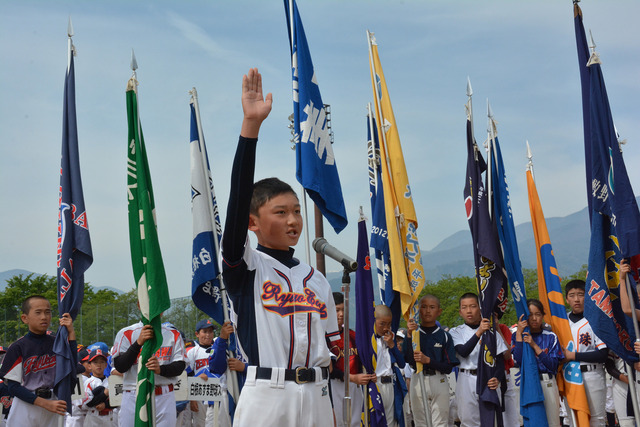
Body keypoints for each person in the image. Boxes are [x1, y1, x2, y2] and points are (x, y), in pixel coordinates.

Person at [221, 68, 339, 427]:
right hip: (267, 394)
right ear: (253, 223)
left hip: (317, 393)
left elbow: (333, 347)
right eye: (280, 212)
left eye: (296, 211)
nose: (293, 220)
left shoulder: (316, 279)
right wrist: (250, 127)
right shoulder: (246, 266)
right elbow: (239, 201)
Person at [0, 295, 75, 427]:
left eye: (48, 312)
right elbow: (13, 387)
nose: (44, 317)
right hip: (26, 405)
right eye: (38, 312)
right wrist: (45, 404)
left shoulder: (57, 343)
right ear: (25, 318)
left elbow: (73, 366)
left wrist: (71, 334)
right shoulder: (18, 347)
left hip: (54, 401)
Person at [111, 319, 186, 427]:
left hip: (163, 396)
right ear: (139, 304)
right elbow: (120, 366)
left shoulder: (173, 334)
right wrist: (137, 343)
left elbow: (180, 366)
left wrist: (161, 369)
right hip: (133, 395)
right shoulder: (127, 332)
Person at [448, 292, 508, 427]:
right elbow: (463, 352)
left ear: (480, 309)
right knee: (468, 421)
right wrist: (479, 332)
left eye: (473, 306)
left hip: (488, 379)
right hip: (466, 378)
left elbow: (500, 361)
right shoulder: (456, 331)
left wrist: (497, 378)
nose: (469, 311)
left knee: (490, 421)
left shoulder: (492, 333)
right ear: (460, 312)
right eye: (464, 307)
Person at [404, 295, 458, 427]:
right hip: (418, 378)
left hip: (439, 380)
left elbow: (448, 367)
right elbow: (408, 359)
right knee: (420, 422)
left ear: (439, 311)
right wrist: (409, 335)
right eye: (424, 307)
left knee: (440, 422)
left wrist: (428, 360)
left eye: (432, 307)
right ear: (418, 310)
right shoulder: (414, 333)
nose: (428, 311)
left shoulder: (444, 336)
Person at [513, 299, 563, 427]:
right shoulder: (519, 335)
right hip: (528, 383)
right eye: (530, 315)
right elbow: (518, 360)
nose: (534, 318)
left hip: (547, 382)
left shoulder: (550, 336)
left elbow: (553, 365)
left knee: (552, 423)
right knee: (533, 422)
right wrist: (519, 333)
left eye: (538, 314)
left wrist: (534, 345)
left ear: (543, 316)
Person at [563, 279, 607, 426]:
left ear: (587, 296)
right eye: (572, 295)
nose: (577, 299)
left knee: (596, 420)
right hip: (569, 376)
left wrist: (573, 356)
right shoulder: (561, 322)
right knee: (572, 419)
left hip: (592, 375)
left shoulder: (596, 319)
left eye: (581, 294)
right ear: (566, 298)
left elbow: (603, 354)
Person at [328, 292, 369, 427]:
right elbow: (331, 370)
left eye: (343, 310)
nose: (340, 314)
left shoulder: (353, 335)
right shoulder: (325, 336)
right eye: (337, 310)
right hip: (336, 385)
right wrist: (353, 378)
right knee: (338, 422)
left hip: (355, 386)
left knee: (355, 422)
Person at [208, 321, 246, 427]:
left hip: (253, 389)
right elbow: (216, 367)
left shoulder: (256, 336)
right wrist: (223, 339)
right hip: (229, 392)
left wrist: (245, 368)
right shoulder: (220, 340)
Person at [373, 305, 406, 427]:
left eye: (389, 324)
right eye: (382, 324)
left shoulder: (389, 340)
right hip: (376, 385)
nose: (386, 328)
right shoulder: (369, 342)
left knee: (391, 421)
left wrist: (392, 345)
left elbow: (401, 363)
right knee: (376, 420)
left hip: (390, 385)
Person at [184, 319, 216, 427]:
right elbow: (188, 375)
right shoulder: (192, 352)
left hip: (216, 389)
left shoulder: (217, 349)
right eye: (205, 331)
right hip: (199, 390)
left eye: (210, 331)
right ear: (197, 334)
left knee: (216, 422)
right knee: (200, 424)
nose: (208, 335)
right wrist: (192, 398)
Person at [82, 348, 116, 426]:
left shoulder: (111, 381)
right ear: (89, 365)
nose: (99, 365)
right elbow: (87, 404)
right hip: (93, 416)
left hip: (109, 416)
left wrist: (105, 405)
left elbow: (117, 401)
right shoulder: (88, 382)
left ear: (106, 364)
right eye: (95, 362)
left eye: (102, 362)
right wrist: (103, 394)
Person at [65, 347, 91, 427]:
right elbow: (79, 404)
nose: (91, 363)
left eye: (92, 361)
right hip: (76, 418)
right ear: (80, 363)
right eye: (88, 361)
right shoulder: (77, 378)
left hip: (88, 416)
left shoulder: (92, 378)